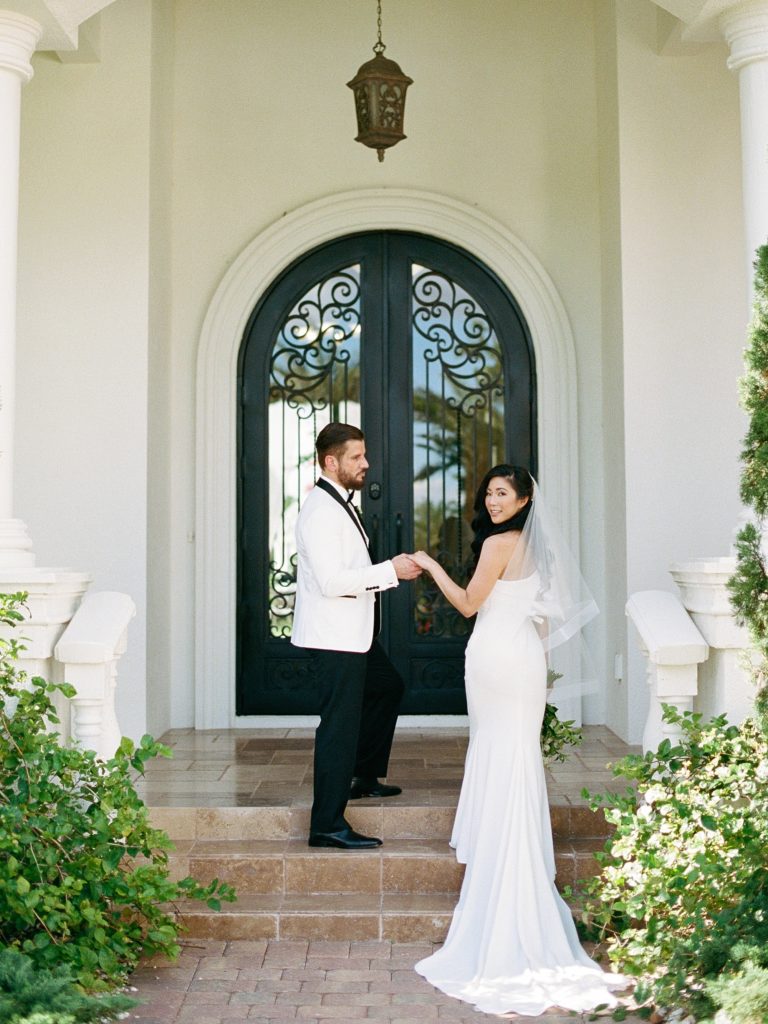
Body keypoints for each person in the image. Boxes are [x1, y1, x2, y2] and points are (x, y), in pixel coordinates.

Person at [411, 465, 627, 1015]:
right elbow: (543, 621)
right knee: (517, 759)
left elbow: (468, 604)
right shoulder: (539, 549)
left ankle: (501, 877)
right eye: (489, 493)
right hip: (524, 660)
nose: (493, 501)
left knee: (498, 755)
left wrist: (430, 564)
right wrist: (539, 672)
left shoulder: (498, 544)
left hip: (496, 659)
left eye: (503, 493)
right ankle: (519, 870)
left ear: (525, 499)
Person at [292, 422, 421, 850]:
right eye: (356, 457)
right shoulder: (320, 512)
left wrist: (387, 569)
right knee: (338, 728)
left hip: (353, 635)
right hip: (334, 638)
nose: (366, 463)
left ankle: (363, 776)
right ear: (331, 462)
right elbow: (331, 582)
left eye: (364, 454)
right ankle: (326, 824)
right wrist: (391, 571)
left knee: (387, 687)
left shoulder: (339, 502)